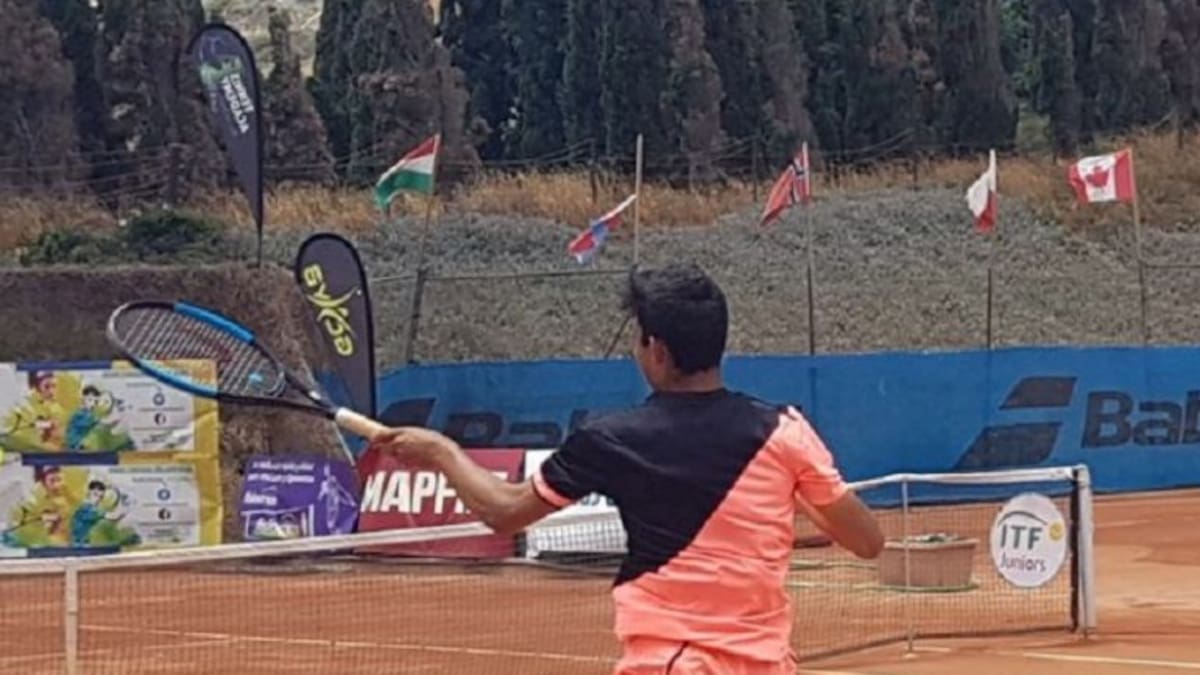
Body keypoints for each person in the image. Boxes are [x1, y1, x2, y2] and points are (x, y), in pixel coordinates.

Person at [367, 263, 884, 675]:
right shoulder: (786, 432)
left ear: (656, 350)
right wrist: (774, 498)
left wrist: (441, 452)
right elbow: (867, 541)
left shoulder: (611, 440)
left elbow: (503, 512)